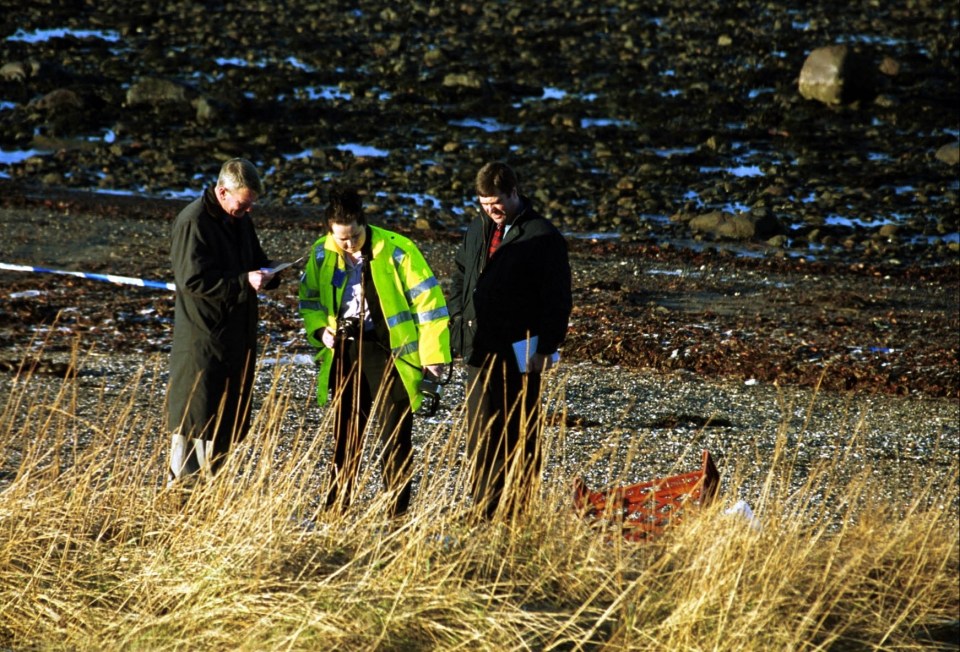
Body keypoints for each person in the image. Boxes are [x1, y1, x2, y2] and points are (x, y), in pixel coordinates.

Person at [299, 186, 450, 517]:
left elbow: (430, 305)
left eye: (354, 236)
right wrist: (319, 331)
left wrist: (434, 356)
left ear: (364, 225)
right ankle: (336, 509)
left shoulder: (398, 249)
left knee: (395, 438)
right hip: (345, 353)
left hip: (390, 355)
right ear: (330, 231)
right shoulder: (321, 253)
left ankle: (396, 514)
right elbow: (308, 300)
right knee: (345, 437)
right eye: (342, 238)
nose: (349, 243)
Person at [448, 161, 572, 521]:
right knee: (480, 431)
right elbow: (460, 276)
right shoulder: (477, 229)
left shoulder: (543, 237)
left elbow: (557, 299)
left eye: (497, 203)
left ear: (514, 193)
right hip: (477, 344)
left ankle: (517, 508)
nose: (492, 211)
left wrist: (547, 347)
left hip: (521, 349)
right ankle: (483, 507)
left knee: (518, 428)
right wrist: (457, 319)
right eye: (485, 204)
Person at [166, 158, 280, 488]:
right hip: (202, 342)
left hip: (236, 339)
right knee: (196, 424)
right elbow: (192, 282)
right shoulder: (193, 222)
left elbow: (253, 260)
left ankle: (211, 500)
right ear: (222, 191)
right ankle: (181, 502)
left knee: (227, 424)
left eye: (251, 206)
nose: (248, 212)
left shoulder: (239, 219)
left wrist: (269, 272)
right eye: (243, 205)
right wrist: (244, 281)